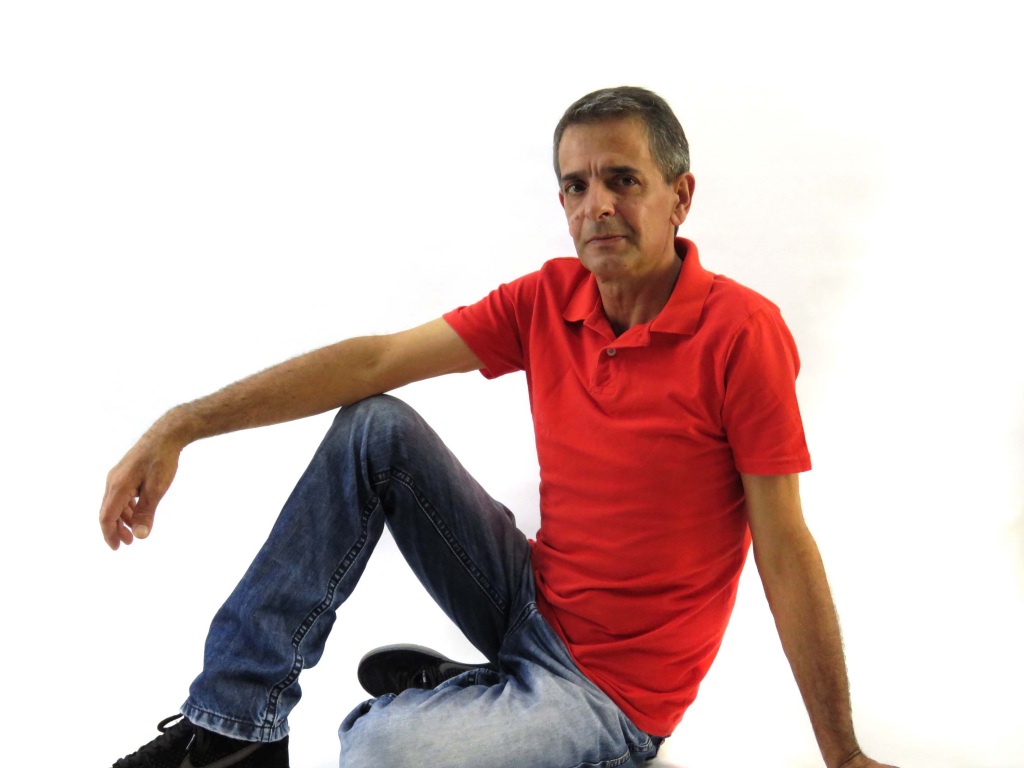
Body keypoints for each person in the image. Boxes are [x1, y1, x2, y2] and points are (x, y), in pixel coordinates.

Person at [103, 87, 896, 768]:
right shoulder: (548, 299)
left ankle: (495, 703)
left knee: (377, 751)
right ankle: (231, 731)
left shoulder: (742, 335)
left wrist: (844, 753)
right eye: (577, 185)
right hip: (529, 598)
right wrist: (183, 425)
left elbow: (784, 545)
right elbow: (377, 360)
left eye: (623, 180)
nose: (598, 205)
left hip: (612, 693)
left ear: (679, 197)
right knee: (375, 427)